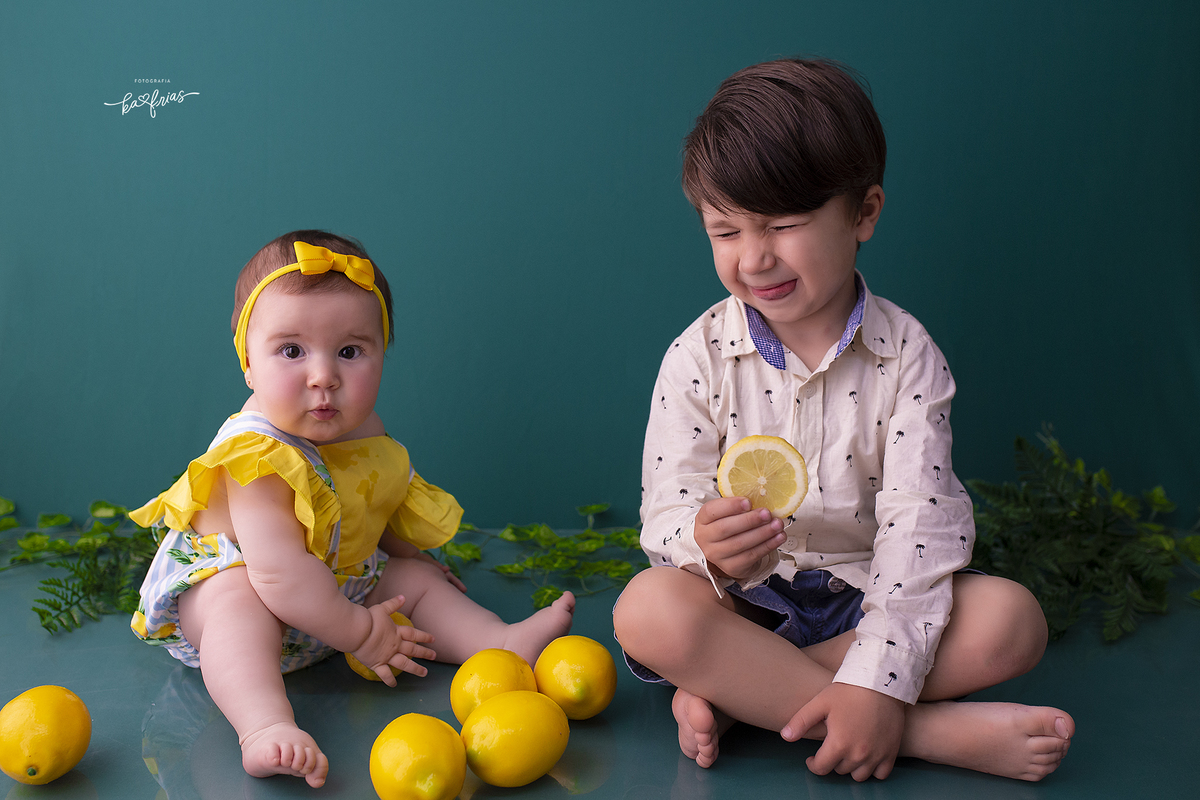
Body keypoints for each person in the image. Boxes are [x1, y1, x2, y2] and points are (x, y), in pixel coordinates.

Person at [612, 58, 1074, 783]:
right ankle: (927, 733)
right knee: (646, 609)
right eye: (724, 231)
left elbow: (921, 527)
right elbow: (665, 508)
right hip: (745, 611)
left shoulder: (908, 357)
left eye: (784, 225)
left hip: (869, 600)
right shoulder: (697, 354)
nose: (754, 256)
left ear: (863, 213)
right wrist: (700, 542)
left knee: (1013, 621)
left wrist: (876, 675)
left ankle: (748, 698)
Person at [129, 230, 575, 788]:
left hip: (333, 594)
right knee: (234, 609)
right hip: (255, 586)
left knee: (412, 578)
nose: (324, 377)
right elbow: (279, 574)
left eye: (349, 351)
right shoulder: (257, 455)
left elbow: (375, 500)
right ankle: (263, 725)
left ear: (381, 355)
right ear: (248, 360)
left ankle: (500, 645)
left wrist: (408, 557)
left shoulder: (365, 430)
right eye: (291, 351)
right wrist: (362, 634)